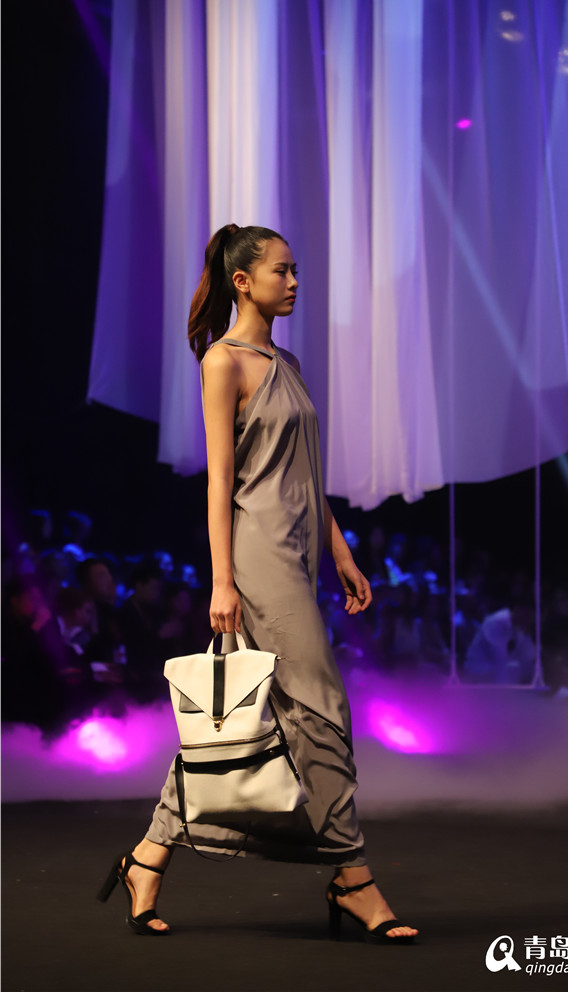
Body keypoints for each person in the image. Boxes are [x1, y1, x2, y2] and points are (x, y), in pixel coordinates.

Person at [98, 224, 417, 943]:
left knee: (245, 717)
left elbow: (306, 474)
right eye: (282, 271)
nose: (295, 281)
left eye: (296, 270)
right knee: (322, 711)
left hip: (301, 553)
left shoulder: (287, 361)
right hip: (259, 555)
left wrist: (341, 551)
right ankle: (353, 878)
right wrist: (223, 581)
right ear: (242, 281)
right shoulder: (224, 362)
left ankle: (146, 859)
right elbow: (220, 481)